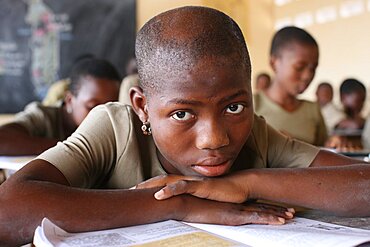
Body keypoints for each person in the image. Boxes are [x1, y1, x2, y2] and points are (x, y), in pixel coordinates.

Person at [0, 6, 369, 246]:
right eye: (182, 114)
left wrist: (243, 183)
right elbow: (9, 211)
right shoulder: (114, 128)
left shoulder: (256, 135)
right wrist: (177, 205)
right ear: (143, 107)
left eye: (235, 106)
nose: (215, 139)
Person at [0, 58, 121, 156]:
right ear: (69, 100)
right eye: (91, 107)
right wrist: (70, 148)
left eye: (110, 109)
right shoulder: (43, 116)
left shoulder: (117, 125)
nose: (101, 116)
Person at [254, 26, 327, 146]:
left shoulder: (313, 110)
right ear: (274, 63)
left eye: (313, 68)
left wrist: (335, 143)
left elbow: (323, 151)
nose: (307, 76)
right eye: (299, 67)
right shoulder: (252, 106)